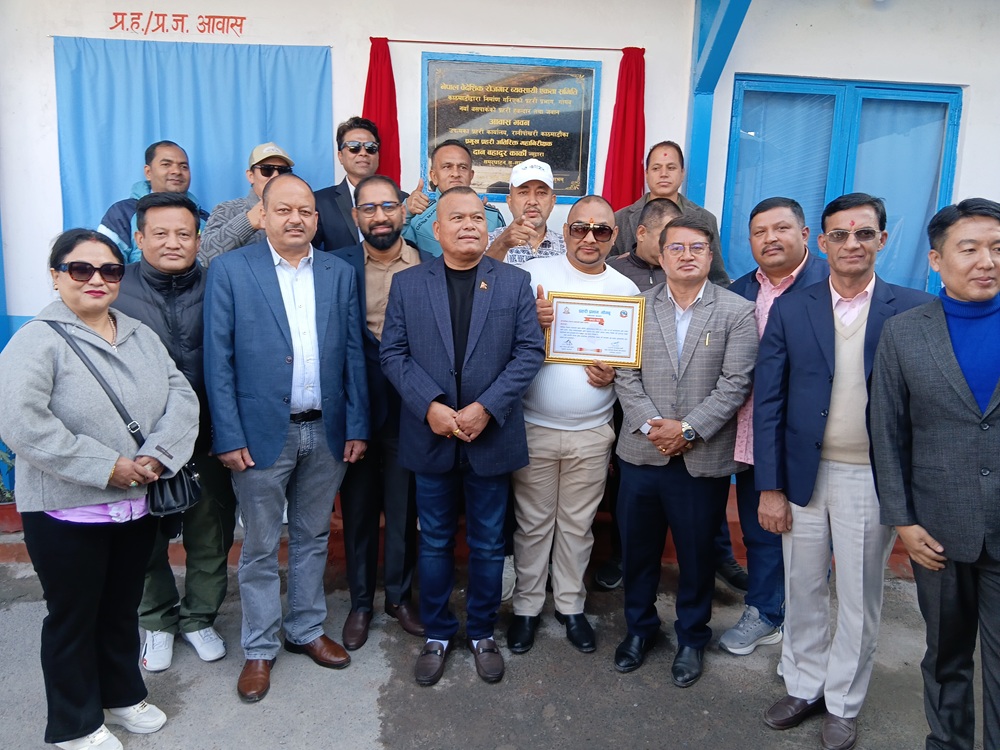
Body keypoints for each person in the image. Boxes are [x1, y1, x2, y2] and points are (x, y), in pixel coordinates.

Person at [0, 229, 199, 750]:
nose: (96, 279)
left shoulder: (137, 333)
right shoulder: (37, 340)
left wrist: (158, 453)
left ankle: (123, 695)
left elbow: (181, 395)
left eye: (109, 270)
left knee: (120, 608)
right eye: (80, 269)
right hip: (66, 512)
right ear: (56, 275)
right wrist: (105, 466)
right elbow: (22, 423)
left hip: (135, 506)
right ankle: (76, 723)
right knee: (73, 619)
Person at [754, 193, 931, 750]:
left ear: (882, 240)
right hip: (804, 474)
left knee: (858, 593)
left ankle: (843, 702)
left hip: (873, 479)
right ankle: (803, 685)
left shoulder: (914, 309)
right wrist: (770, 487)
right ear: (823, 242)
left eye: (863, 234)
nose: (851, 244)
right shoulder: (792, 308)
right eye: (839, 235)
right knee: (803, 584)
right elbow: (769, 402)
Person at [203, 174, 369, 703]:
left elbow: (353, 353)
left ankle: (304, 628)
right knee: (258, 545)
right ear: (264, 215)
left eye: (304, 211)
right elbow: (218, 360)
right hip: (258, 435)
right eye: (283, 210)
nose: (295, 218)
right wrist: (228, 434)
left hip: (327, 429)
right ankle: (258, 646)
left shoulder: (339, 272)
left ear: (316, 220)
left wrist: (357, 424)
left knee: (312, 535)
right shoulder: (232, 270)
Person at [380, 186, 544, 686]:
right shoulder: (409, 284)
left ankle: (482, 632)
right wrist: (429, 405)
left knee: (489, 543)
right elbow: (393, 354)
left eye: (477, 217)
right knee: (433, 541)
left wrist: (486, 408)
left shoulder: (514, 282)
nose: (469, 225)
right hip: (431, 435)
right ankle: (437, 633)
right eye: (457, 218)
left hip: (489, 436)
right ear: (436, 229)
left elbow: (528, 353)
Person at [871, 198, 1000, 750]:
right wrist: (902, 521)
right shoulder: (904, 332)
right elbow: (887, 432)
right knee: (946, 656)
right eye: (969, 249)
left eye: (997, 248)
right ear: (936, 260)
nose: (986, 261)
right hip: (937, 531)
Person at [613, 213, 757, 688]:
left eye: (697, 247)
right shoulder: (637, 307)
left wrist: (689, 430)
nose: (687, 255)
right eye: (676, 247)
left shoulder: (737, 311)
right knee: (638, 552)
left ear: (710, 255)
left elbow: (735, 383)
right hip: (643, 452)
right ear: (661, 254)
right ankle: (640, 629)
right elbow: (624, 375)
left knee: (697, 556)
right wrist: (654, 427)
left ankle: (692, 637)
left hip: (702, 458)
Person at [506, 195, 639, 656]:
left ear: (613, 236)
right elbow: (497, 338)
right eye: (580, 228)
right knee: (532, 524)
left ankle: (570, 605)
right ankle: (526, 607)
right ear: (565, 232)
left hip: (593, 431)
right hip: (534, 426)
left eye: (600, 230)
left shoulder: (626, 291)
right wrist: (530, 321)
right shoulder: (532, 277)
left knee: (578, 526)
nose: (589, 238)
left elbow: (633, 365)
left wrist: (615, 374)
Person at [113, 192, 238, 673]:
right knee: (144, 540)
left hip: (207, 437)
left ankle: (199, 617)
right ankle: (158, 620)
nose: (173, 243)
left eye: (183, 234)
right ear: (139, 238)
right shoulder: (117, 293)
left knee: (212, 534)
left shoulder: (220, 284)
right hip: (139, 446)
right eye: (160, 233)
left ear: (198, 240)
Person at [719, 197, 830, 657]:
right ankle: (765, 612)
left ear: (804, 235)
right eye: (760, 232)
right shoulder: (739, 290)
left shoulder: (831, 284)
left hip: (813, 436)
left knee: (810, 536)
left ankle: (806, 623)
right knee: (761, 527)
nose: (770, 239)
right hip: (751, 431)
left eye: (781, 228)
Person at [331, 175, 431, 650]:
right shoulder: (334, 266)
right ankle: (360, 603)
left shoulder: (429, 265)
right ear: (356, 217)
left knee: (403, 506)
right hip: (354, 405)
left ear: (403, 211)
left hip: (411, 406)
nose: (380, 216)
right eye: (368, 208)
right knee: (358, 508)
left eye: (388, 206)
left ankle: (399, 597)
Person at [610, 140, 729, 286]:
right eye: (656, 168)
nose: (664, 174)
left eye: (671, 168)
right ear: (646, 174)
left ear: (682, 173)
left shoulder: (705, 219)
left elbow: (717, 278)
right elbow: (603, 269)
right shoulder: (621, 218)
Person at [98, 140, 209, 263]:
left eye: (184, 167)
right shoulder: (123, 213)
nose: (177, 171)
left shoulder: (205, 219)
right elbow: (103, 263)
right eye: (166, 164)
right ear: (148, 172)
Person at [402, 139, 505, 256]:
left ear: (471, 176)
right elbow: (394, 252)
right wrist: (405, 212)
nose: (456, 174)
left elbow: (504, 257)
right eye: (447, 167)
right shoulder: (416, 215)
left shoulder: (493, 216)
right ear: (434, 176)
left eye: (463, 167)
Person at [198, 142, 295, 266]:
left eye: (283, 171)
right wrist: (248, 222)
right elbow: (203, 257)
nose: (275, 176)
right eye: (267, 170)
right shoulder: (228, 209)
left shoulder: (298, 213)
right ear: (250, 176)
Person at [314, 116, 393, 252]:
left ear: (378, 155)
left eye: (370, 147)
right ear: (340, 156)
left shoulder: (401, 200)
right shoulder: (320, 202)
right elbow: (305, 251)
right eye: (354, 147)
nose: (363, 153)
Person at [485, 158, 564, 266]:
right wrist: (501, 245)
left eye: (541, 193)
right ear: (510, 202)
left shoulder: (568, 247)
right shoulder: (487, 242)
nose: (532, 201)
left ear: (552, 202)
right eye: (523, 193)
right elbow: (480, 275)